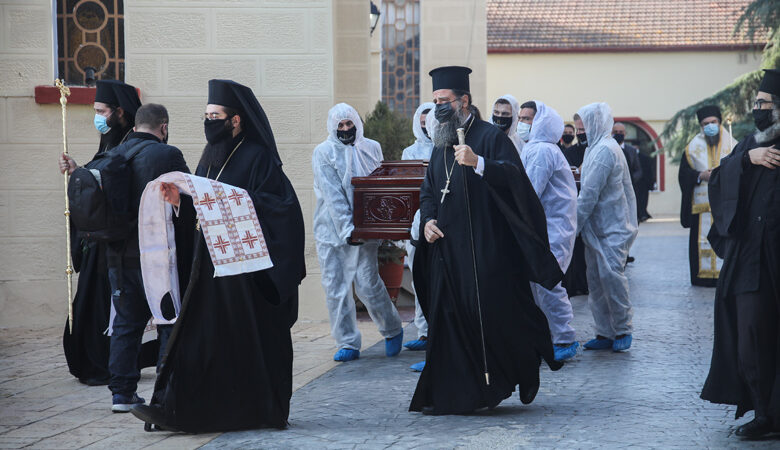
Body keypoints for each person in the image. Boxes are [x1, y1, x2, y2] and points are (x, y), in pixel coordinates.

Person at [130, 79, 306, 432]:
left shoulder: (259, 158)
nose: (209, 121)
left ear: (236, 120)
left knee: (239, 347)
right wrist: (181, 201)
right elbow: (202, 207)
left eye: (216, 115)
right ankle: (177, 409)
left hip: (246, 283)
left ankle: (252, 411)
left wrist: (229, 201)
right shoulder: (210, 158)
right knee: (198, 341)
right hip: (208, 271)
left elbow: (283, 210)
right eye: (206, 115)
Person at [410, 66, 563, 415]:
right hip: (447, 251)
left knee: (497, 317)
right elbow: (429, 190)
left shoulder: (491, 137)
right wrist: (429, 220)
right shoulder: (440, 142)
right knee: (448, 318)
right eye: (435, 101)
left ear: (464, 100)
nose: (439, 107)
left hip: (486, 249)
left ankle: (516, 372)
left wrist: (480, 163)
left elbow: (516, 182)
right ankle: (455, 394)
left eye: (445, 100)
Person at [58, 80, 158, 387]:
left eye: (102, 111)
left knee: (113, 308)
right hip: (97, 240)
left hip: (119, 241)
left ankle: (109, 362)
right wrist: (78, 171)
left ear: (121, 113)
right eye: (95, 110)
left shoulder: (136, 143)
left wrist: (84, 176)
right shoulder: (111, 141)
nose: (98, 117)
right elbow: (97, 177)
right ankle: (97, 360)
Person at [701, 68, 780, 439]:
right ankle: (764, 412)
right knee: (750, 337)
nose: (757, 109)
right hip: (750, 262)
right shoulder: (750, 144)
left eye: (763, 104)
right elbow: (720, 177)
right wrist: (749, 160)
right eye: (756, 103)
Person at [312, 103, 404, 363]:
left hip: (365, 228)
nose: (345, 129)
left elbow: (380, 184)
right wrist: (346, 229)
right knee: (335, 286)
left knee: (367, 282)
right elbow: (333, 195)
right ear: (332, 128)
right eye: (340, 126)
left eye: (349, 124)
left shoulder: (371, 147)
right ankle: (347, 342)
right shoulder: (323, 152)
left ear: (356, 124)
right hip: (331, 230)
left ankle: (392, 328)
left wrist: (383, 222)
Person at [519, 101, 579, 361]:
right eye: (520, 118)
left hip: (552, 230)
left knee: (548, 283)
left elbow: (529, 191)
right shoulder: (534, 148)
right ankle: (548, 337)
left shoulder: (542, 151)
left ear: (541, 122)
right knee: (538, 284)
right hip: (544, 229)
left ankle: (565, 339)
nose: (522, 124)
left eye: (528, 119)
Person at [576, 102, 638, 352]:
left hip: (612, 227)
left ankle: (623, 329)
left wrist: (572, 228)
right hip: (597, 228)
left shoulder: (604, 151)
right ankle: (604, 332)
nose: (580, 132)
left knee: (612, 280)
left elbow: (588, 195)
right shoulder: (595, 148)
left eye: (583, 127)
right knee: (596, 281)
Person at [678, 105, 735, 287]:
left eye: (713, 122)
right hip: (701, 208)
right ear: (701, 126)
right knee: (700, 242)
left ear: (719, 122)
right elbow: (683, 175)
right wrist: (700, 175)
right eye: (705, 124)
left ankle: (724, 276)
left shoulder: (733, 144)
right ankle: (702, 277)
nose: (710, 126)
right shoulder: (692, 148)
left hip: (725, 207)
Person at [402, 102, 435, 356]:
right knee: (418, 279)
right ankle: (423, 332)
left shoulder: (446, 148)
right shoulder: (409, 152)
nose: (425, 127)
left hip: (438, 223)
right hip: (415, 226)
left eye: (429, 122)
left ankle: (439, 333)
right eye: (421, 122)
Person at [561, 113, 589, 297]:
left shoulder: (597, 151)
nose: (580, 133)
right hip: (573, 203)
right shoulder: (569, 153)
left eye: (582, 130)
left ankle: (585, 283)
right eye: (578, 130)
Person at [613, 122, 643, 263]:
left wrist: (629, 181)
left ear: (625, 134)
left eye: (621, 131)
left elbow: (638, 170)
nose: (618, 133)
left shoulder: (631, 150)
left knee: (628, 223)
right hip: (613, 194)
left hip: (628, 192)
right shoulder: (609, 149)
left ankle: (626, 252)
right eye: (616, 131)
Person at [636, 149, 656, 222]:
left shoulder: (632, 156)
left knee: (638, 199)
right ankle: (643, 214)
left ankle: (640, 214)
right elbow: (650, 172)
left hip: (637, 183)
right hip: (644, 182)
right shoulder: (645, 158)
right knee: (643, 199)